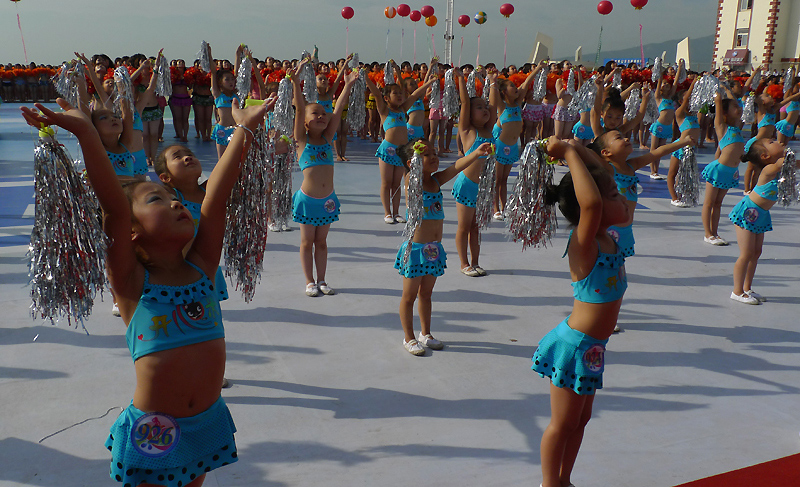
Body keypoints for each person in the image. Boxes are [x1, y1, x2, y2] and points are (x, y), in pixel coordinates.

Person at [21, 96, 269, 487]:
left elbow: (217, 199)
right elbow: (115, 209)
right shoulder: (133, 284)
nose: (175, 204)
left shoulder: (202, 268)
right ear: (132, 232)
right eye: (157, 199)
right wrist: (86, 131)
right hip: (155, 431)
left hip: (206, 421)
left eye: (174, 199)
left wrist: (245, 128)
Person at [533, 137, 629, 487]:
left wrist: (579, 150)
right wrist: (571, 153)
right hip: (573, 348)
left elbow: (603, 176)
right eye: (615, 196)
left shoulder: (607, 238)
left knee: (581, 421)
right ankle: (549, 483)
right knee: (562, 423)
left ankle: (565, 479)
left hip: (592, 349)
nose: (623, 200)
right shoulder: (584, 243)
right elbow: (590, 204)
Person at [395, 138, 492, 355]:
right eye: (427, 154)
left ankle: (425, 333)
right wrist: (416, 160)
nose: (434, 157)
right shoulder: (412, 181)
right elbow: (412, 174)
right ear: (413, 162)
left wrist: (476, 154)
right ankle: (408, 337)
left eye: (434, 153)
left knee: (426, 294)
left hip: (433, 251)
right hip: (416, 250)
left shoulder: (436, 181)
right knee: (409, 296)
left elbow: (456, 167)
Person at [291, 59, 358, 296]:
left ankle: (322, 279)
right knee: (307, 242)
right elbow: (299, 108)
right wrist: (295, 81)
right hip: (308, 200)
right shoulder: (301, 140)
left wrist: (347, 85)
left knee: (322, 243)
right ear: (305, 121)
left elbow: (337, 110)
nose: (321, 116)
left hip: (328, 199)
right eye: (315, 113)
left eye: (322, 113)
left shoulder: (328, 139)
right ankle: (309, 281)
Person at [591, 130, 694, 257]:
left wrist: (683, 142)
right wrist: (570, 146)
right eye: (619, 138)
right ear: (606, 152)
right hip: (609, 230)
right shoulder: (610, 170)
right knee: (604, 261)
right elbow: (587, 154)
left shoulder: (631, 166)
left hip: (626, 230)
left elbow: (658, 152)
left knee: (619, 262)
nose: (627, 139)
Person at [365, 60, 436, 224]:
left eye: (400, 93)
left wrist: (430, 82)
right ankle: (387, 212)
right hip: (387, 149)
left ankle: (396, 212)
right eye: (395, 93)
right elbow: (375, 93)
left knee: (396, 183)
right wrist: (365, 77)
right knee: (386, 182)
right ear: (386, 98)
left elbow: (415, 94)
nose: (399, 95)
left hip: (401, 151)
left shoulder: (403, 109)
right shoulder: (384, 110)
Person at [729, 137, 786, 304]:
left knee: (756, 253)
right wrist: (787, 154)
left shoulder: (778, 168)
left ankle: (747, 288)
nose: (777, 141)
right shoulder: (769, 169)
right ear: (764, 156)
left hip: (760, 214)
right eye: (772, 142)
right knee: (746, 254)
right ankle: (737, 291)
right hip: (747, 213)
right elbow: (780, 163)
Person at [452, 68, 497, 277]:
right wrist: (461, 80)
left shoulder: (490, 130)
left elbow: (494, 106)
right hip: (466, 186)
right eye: (479, 107)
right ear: (469, 113)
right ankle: (464, 263)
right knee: (464, 226)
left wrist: (493, 82)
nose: (485, 109)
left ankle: (476, 261)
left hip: (483, 188)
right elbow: (464, 103)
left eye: (485, 106)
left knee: (476, 228)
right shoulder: (469, 131)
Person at [489, 60, 547, 220]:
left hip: (513, 146)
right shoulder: (502, 106)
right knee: (497, 179)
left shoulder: (518, 103)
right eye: (512, 86)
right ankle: (495, 209)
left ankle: (505, 206)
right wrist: (492, 81)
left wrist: (538, 69)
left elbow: (527, 82)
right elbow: (493, 95)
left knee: (505, 179)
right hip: (500, 146)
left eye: (515, 86)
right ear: (504, 92)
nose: (516, 88)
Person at [701, 93, 744, 246]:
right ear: (724, 113)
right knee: (709, 203)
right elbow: (718, 106)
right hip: (718, 171)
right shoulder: (722, 127)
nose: (739, 109)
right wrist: (718, 98)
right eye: (735, 107)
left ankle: (715, 232)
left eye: (739, 107)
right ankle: (708, 234)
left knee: (718, 204)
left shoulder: (738, 129)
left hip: (730, 173)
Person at [667, 78, 703, 206]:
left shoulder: (694, 115)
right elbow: (687, 98)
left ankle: (682, 195)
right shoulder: (680, 114)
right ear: (681, 101)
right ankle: (674, 198)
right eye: (686, 97)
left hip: (690, 150)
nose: (690, 99)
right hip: (680, 147)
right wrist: (693, 83)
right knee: (673, 173)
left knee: (685, 173)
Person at [648, 60, 682, 180]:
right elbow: (658, 82)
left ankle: (656, 170)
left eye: (667, 84)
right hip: (659, 125)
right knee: (654, 149)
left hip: (667, 127)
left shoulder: (671, 96)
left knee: (661, 151)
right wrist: (660, 70)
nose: (666, 85)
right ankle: (653, 171)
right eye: (664, 84)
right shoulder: (658, 97)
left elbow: (676, 82)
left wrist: (680, 68)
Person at [209, 44, 240, 159]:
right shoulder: (218, 94)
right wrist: (209, 54)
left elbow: (237, 72)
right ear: (221, 82)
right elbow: (213, 72)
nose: (231, 81)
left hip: (235, 130)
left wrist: (237, 55)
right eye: (227, 79)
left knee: (235, 159)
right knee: (222, 159)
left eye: (232, 79)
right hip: (222, 130)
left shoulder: (236, 94)